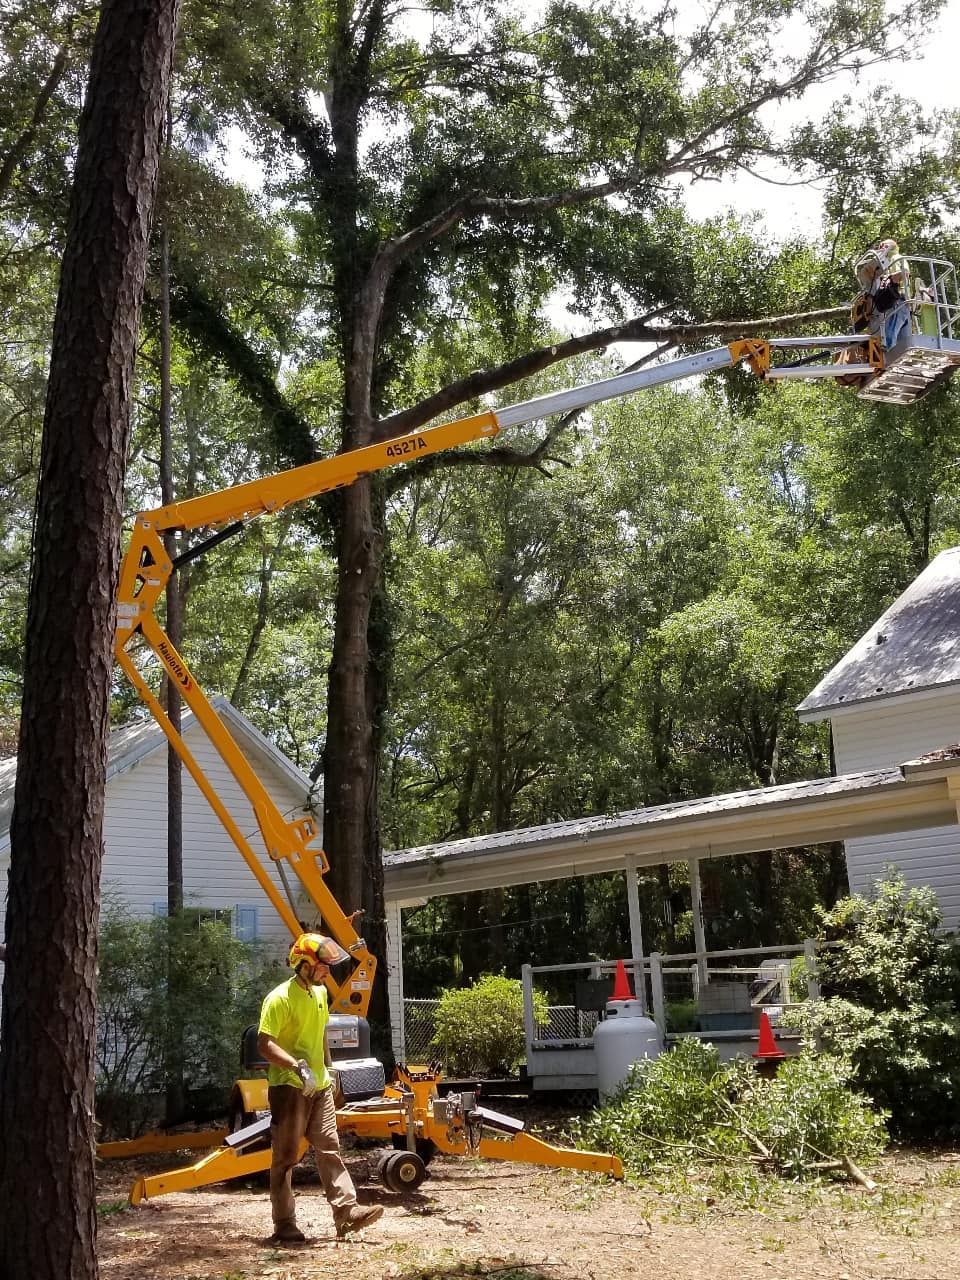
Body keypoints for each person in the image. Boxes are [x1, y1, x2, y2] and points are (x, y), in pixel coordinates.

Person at [257, 931, 385, 1244]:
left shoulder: (319, 994)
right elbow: (264, 1044)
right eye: (323, 965)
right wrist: (297, 1067)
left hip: (320, 1087)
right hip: (289, 1088)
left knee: (329, 1148)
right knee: (285, 1159)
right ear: (304, 964)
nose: (328, 970)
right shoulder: (279, 999)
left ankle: (346, 1214)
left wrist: (329, 1069)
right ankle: (284, 1225)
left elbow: (321, 1035)